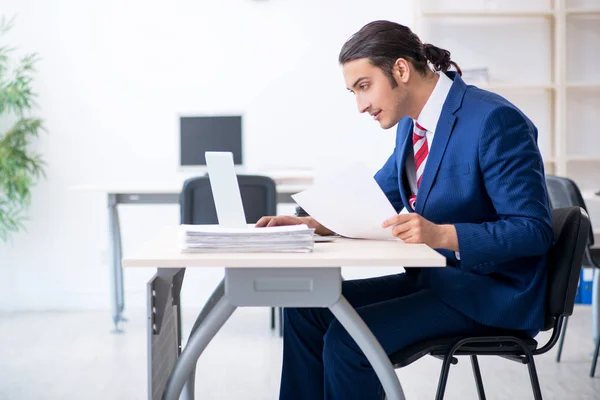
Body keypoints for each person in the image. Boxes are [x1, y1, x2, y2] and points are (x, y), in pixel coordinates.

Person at [256, 20, 553, 400]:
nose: (360, 105)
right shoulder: (411, 125)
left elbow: (533, 230)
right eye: (353, 92)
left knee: (349, 341)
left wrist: (441, 234)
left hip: (488, 293)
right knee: (305, 311)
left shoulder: (494, 120)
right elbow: (379, 195)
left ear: (400, 69)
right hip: (436, 281)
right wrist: (311, 224)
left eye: (364, 87)